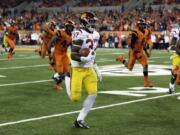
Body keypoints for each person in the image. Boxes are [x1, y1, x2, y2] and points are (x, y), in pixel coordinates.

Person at [65, 12, 100, 129]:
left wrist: (96, 67)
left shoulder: (96, 35)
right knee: (74, 98)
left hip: (89, 69)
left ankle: (80, 119)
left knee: (93, 94)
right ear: (85, 22)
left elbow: (93, 53)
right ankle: (67, 76)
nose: (94, 23)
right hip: (78, 68)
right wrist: (84, 59)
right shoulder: (79, 34)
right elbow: (73, 54)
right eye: (92, 21)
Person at [116, 19, 153, 87]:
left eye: (143, 24)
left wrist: (146, 49)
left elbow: (146, 40)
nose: (142, 26)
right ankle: (121, 59)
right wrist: (136, 51)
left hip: (140, 51)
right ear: (138, 25)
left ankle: (146, 82)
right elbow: (131, 44)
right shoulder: (134, 32)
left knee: (145, 65)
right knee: (130, 68)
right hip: (133, 51)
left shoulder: (146, 31)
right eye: (141, 24)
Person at [48, 20, 74, 90]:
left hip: (64, 54)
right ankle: (56, 81)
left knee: (67, 71)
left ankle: (57, 83)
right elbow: (52, 41)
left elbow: (72, 47)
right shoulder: (60, 32)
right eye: (69, 27)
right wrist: (49, 50)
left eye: (71, 27)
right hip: (57, 53)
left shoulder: (72, 36)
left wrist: (74, 55)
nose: (70, 28)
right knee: (60, 72)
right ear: (66, 26)